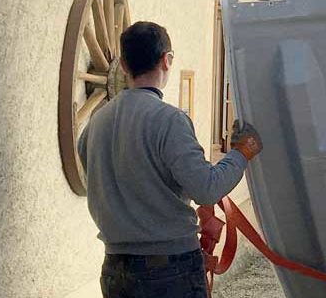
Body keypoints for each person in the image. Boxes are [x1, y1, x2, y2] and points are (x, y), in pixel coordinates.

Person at [78, 21, 263, 298]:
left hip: (115, 270)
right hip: (168, 270)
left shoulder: (96, 123)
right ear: (167, 60)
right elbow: (206, 188)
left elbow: (96, 177)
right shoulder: (169, 120)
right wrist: (241, 153)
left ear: (124, 66)